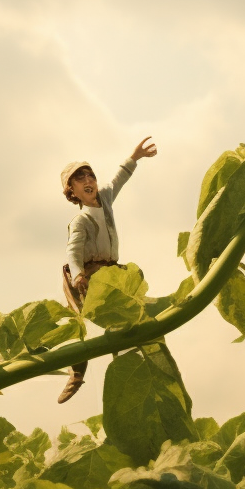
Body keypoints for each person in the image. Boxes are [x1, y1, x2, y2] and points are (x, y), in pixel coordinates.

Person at [58, 136, 158, 403]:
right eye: (80, 180)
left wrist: (134, 157)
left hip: (109, 269)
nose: (88, 181)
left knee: (133, 292)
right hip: (83, 275)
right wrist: (79, 274)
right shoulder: (80, 220)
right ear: (72, 192)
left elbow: (119, 179)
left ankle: (132, 350)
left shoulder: (105, 199)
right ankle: (76, 374)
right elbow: (73, 250)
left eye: (90, 175)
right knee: (76, 325)